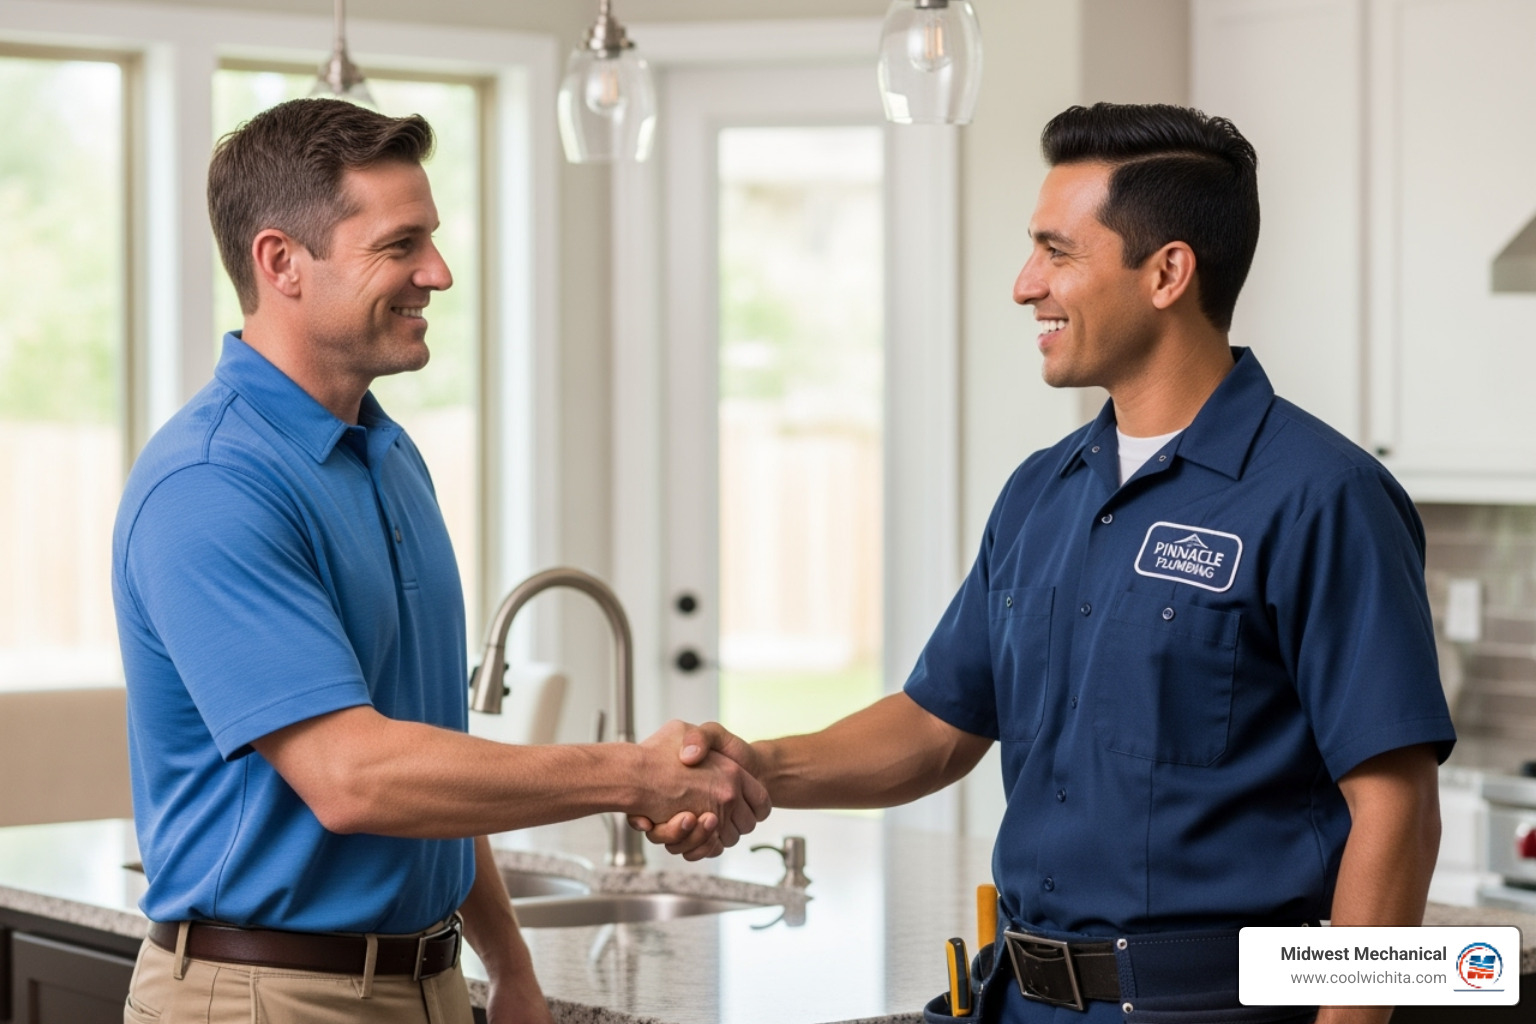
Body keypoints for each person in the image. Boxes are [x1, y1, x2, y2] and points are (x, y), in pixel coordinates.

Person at [638, 103, 1455, 1024]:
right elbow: (937, 726)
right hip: (1020, 1001)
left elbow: (1398, 808)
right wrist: (757, 767)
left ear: (1167, 273)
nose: (1026, 286)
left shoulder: (1324, 497)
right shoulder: (1042, 490)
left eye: (1056, 252)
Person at [111, 97, 767, 1024]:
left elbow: (429, 757)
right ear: (281, 262)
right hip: (267, 997)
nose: (438, 272)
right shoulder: (213, 484)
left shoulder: (385, 456)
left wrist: (509, 965)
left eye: (432, 239)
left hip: (429, 983)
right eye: (400, 245)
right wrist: (634, 773)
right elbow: (356, 776)